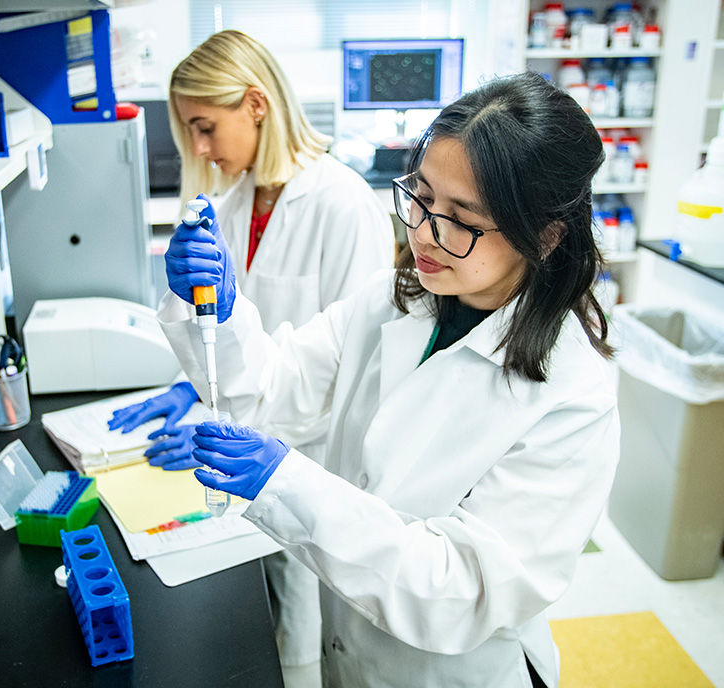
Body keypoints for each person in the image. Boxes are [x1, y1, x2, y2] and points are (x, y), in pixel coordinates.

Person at [156, 71, 620, 688]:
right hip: (348, 655)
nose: (423, 233)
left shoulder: (572, 395)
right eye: (421, 197)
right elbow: (274, 388)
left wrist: (288, 485)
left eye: (461, 219)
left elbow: (459, 590)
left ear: (545, 233)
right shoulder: (394, 301)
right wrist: (216, 307)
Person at [107, 30, 394, 674]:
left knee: (302, 640)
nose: (201, 149)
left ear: (257, 104)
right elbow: (229, 338)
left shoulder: (343, 204)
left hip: (315, 469)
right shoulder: (233, 203)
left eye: (206, 128)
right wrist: (193, 392)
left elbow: (356, 380)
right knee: (259, 633)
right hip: (248, 464)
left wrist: (244, 432)